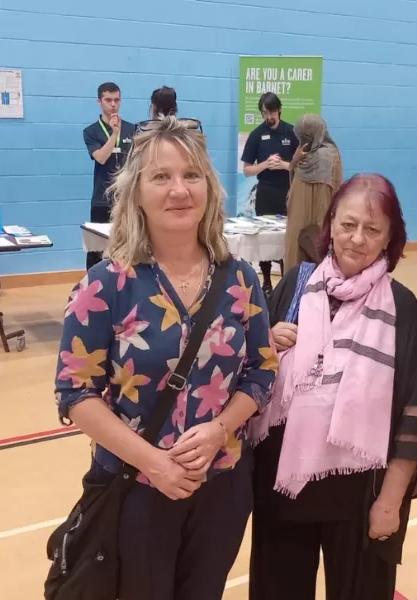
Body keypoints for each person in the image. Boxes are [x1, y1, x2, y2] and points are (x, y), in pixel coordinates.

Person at [54, 116, 279, 600]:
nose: (179, 189)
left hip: (223, 484)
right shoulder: (105, 285)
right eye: (161, 176)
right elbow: (75, 393)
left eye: (191, 175)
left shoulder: (240, 279)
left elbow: (262, 370)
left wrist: (221, 428)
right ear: (136, 192)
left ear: (209, 188)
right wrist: (153, 463)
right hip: (137, 487)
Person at [247, 173, 417, 600]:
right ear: (330, 224)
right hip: (283, 487)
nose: (356, 239)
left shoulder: (401, 307)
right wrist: (267, 345)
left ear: (390, 239)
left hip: (361, 497)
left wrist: (390, 500)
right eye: (348, 224)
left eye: (372, 229)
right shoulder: (296, 286)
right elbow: (252, 376)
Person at [240, 92, 299, 293]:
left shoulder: (291, 132)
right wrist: (264, 164)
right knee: (264, 239)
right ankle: (265, 281)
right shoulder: (257, 134)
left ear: (279, 109)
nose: (268, 117)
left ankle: (285, 280)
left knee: (285, 238)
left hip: (287, 192)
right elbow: (247, 170)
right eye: (265, 113)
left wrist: (284, 165)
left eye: (271, 111)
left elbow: (300, 167)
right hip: (265, 193)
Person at [82, 82, 136, 270]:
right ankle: (91, 287)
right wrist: (114, 134)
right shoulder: (91, 131)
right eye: (108, 100)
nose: (113, 104)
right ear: (99, 101)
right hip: (102, 200)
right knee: (97, 250)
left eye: (117, 100)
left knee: (126, 245)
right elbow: (102, 158)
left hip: (125, 199)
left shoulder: (133, 129)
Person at [284, 113, 343, 269]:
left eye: (305, 136)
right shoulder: (304, 153)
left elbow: (330, 190)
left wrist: (321, 224)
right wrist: (294, 161)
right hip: (298, 217)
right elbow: (294, 183)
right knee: (295, 255)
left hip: (316, 217)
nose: (302, 141)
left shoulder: (328, 156)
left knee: (312, 258)